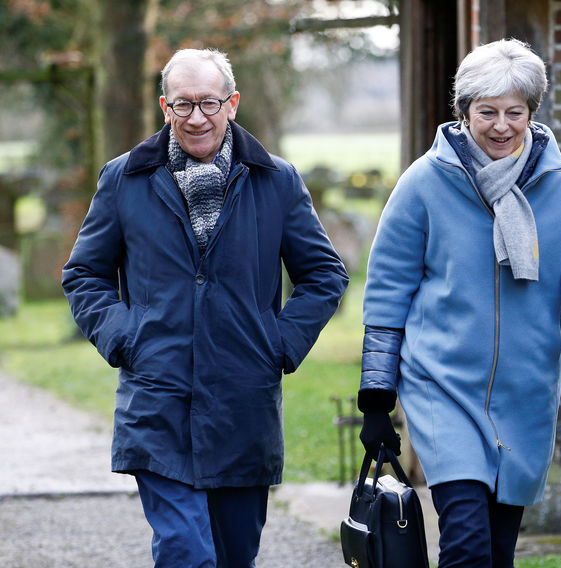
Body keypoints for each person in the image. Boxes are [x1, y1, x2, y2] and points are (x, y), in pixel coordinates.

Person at [62, 48, 348, 567]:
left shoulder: (276, 180)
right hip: (158, 401)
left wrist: (278, 345)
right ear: (164, 107)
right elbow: (84, 273)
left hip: (243, 405)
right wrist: (126, 337)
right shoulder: (124, 179)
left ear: (233, 104)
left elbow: (324, 273)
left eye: (209, 103)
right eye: (183, 104)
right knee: (185, 553)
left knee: (235, 556)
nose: (197, 117)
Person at [357, 39, 561, 568]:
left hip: (523, 398)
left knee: (499, 552)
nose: (501, 126)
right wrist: (376, 397)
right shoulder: (423, 184)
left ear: (532, 113)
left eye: (515, 112)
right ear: (463, 113)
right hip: (443, 388)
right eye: (487, 112)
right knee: (466, 544)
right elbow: (388, 291)